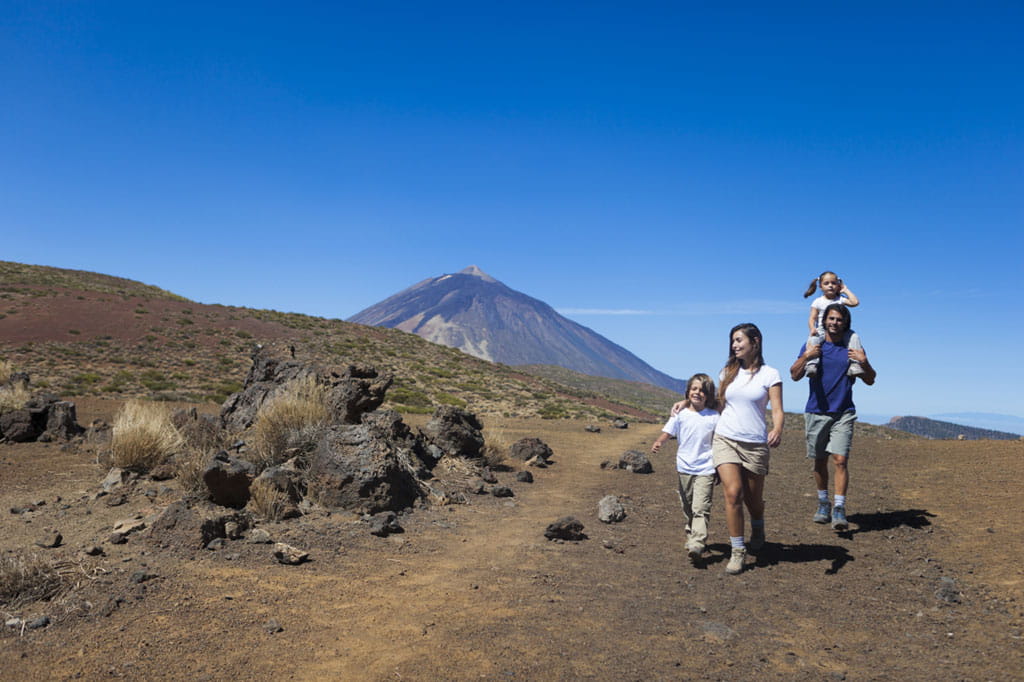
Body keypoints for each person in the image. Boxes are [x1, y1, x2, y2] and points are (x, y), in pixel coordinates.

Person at [673, 323, 783, 575]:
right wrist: (686, 400)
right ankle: (738, 551)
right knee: (733, 494)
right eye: (732, 341)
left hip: (755, 444)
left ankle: (757, 524)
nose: (734, 345)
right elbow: (716, 402)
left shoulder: (770, 375)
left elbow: (777, 408)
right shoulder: (727, 373)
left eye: (739, 340)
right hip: (725, 439)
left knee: (753, 500)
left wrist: (777, 429)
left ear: (755, 341)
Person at [790, 303, 877, 531]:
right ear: (824, 321)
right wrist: (806, 356)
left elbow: (870, 379)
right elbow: (794, 375)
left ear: (845, 323)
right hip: (816, 411)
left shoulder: (851, 348)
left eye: (839, 319)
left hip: (843, 412)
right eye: (831, 319)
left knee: (840, 460)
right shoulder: (813, 345)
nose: (834, 323)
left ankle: (839, 507)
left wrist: (864, 361)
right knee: (819, 462)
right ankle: (823, 502)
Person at [651, 373, 720, 563]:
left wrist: (720, 467)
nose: (698, 393)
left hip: (706, 467)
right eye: (694, 389)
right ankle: (691, 533)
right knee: (687, 505)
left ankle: (698, 542)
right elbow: (668, 431)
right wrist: (659, 442)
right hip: (684, 466)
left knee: (701, 506)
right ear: (688, 391)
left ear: (709, 395)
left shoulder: (714, 416)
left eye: (702, 390)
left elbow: (719, 441)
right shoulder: (680, 414)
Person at [803, 271, 864, 377]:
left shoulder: (840, 299)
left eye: (833, 283)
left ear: (838, 285)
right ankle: (812, 365)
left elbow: (855, 302)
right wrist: (812, 328)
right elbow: (812, 318)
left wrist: (845, 290)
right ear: (820, 286)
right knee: (812, 339)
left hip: (841, 329)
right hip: (822, 329)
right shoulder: (818, 301)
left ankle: (854, 365)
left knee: (854, 337)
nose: (830, 286)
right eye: (826, 283)